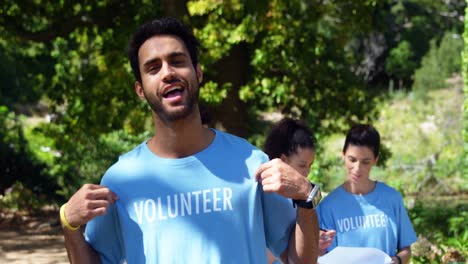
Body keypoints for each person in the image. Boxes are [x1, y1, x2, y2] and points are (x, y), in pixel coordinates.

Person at [60, 17, 320, 263]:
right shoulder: (121, 180)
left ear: (198, 72)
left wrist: (305, 198)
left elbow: (298, 259)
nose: (167, 73)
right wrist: (69, 225)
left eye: (177, 61)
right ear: (140, 89)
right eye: (153, 68)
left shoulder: (252, 163)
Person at [316, 124, 417, 264]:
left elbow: (406, 249)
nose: (357, 168)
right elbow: (320, 255)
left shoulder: (392, 198)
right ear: (343, 154)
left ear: (376, 160)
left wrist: (397, 261)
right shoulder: (327, 206)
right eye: (352, 160)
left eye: (365, 162)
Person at [263, 118, 321, 264]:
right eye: (302, 165)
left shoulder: (297, 196)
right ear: (283, 160)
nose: (307, 172)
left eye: (310, 165)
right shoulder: (270, 196)